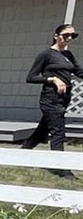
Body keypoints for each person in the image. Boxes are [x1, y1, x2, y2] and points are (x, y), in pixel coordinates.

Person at [23, 23, 82, 180]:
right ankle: (61, 168)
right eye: (66, 35)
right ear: (56, 36)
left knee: (43, 130)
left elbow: (79, 72)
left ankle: (22, 152)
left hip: (64, 99)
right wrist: (53, 79)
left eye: (73, 36)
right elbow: (31, 77)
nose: (69, 38)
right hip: (50, 98)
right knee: (58, 132)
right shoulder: (46, 55)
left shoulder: (68, 55)